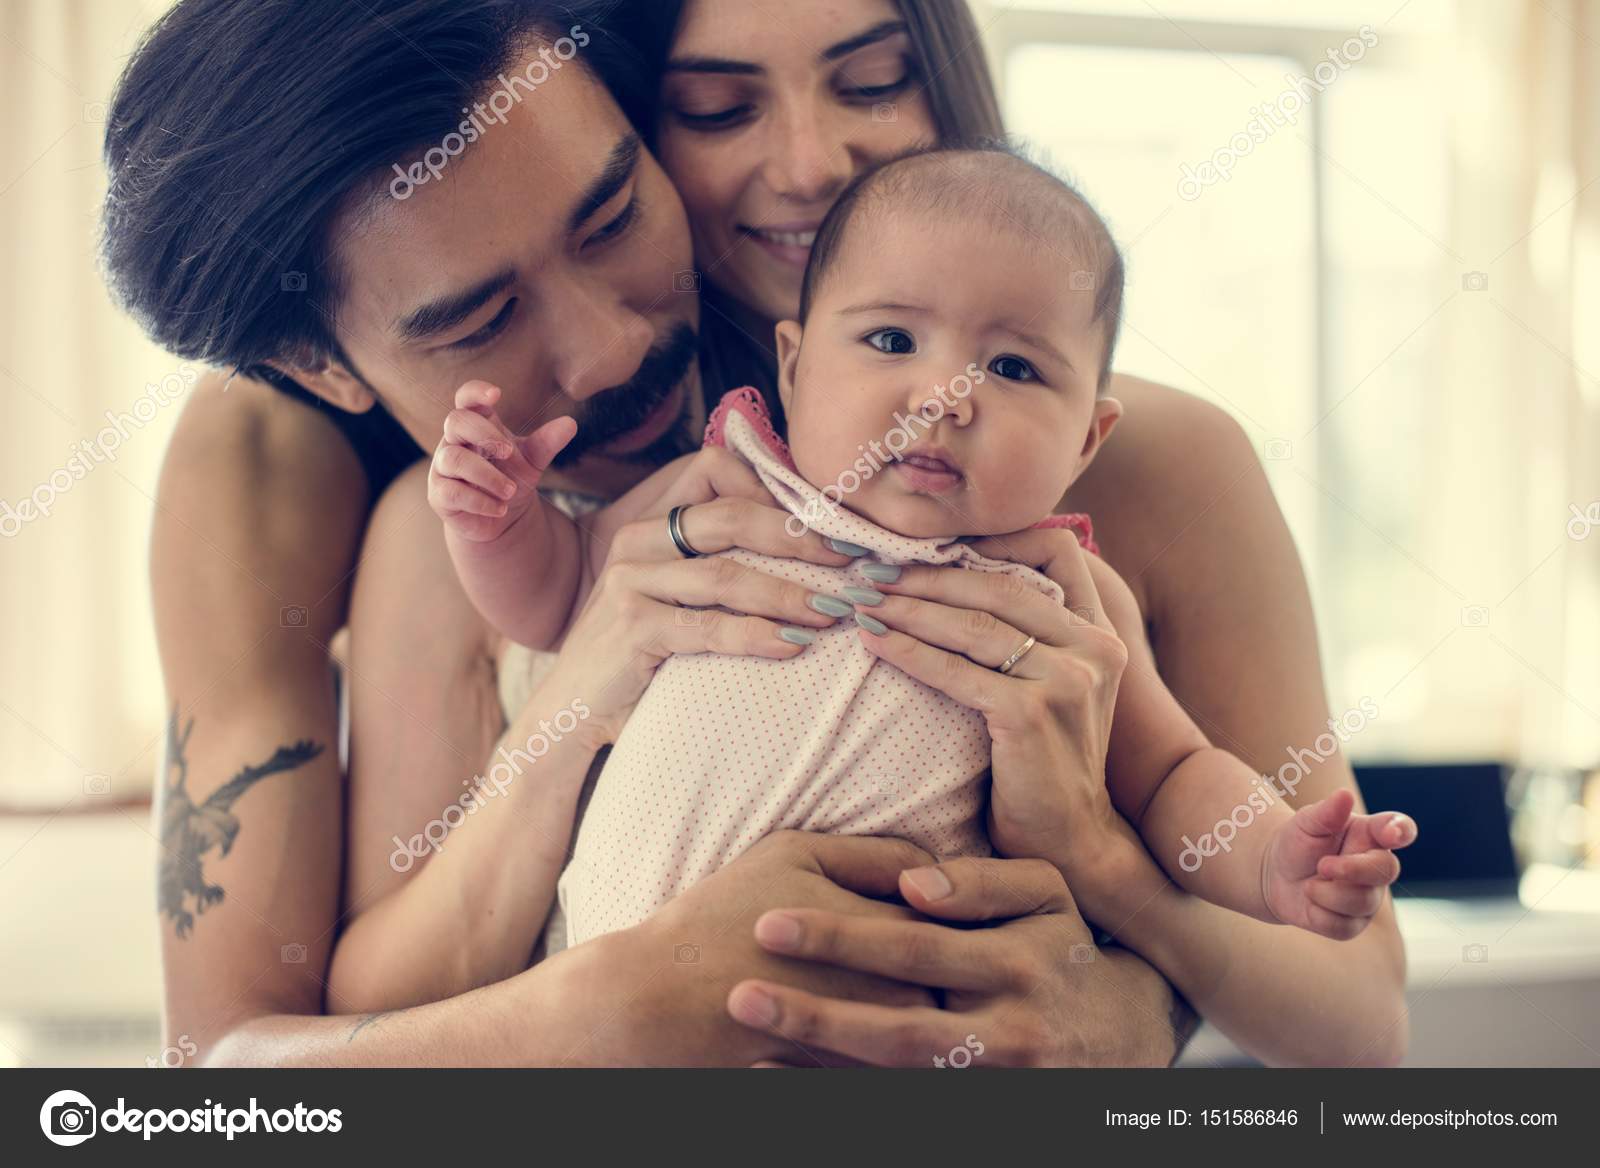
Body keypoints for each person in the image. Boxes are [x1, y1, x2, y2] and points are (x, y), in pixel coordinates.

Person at [104, 0, 1402, 1067]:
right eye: (473, 323)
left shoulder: (1142, 475)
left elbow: (1354, 1016)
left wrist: (1117, 934)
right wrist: (610, 1000)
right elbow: (227, 1072)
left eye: (614, 216)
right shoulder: (369, 506)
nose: (611, 348)